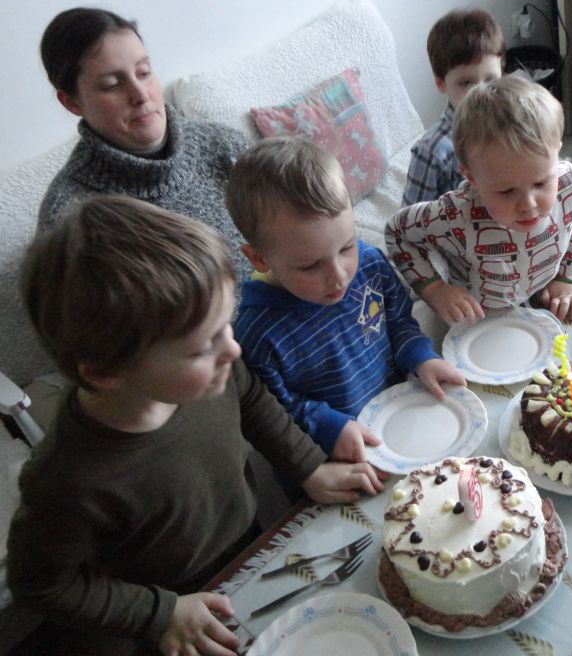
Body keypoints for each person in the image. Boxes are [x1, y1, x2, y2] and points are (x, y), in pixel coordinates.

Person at [8, 195, 384, 656]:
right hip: (172, 614)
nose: (233, 350)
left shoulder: (214, 376)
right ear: (105, 372)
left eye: (226, 327)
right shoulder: (66, 481)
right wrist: (158, 614)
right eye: (202, 346)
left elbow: (251, 397)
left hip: (247, 551)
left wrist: (309, 466)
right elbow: (39, 584)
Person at [227, 137, 465, 464]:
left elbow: (399, 321)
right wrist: (329, 426)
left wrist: (421, 357)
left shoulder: (370, 266)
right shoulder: (255, 333)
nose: (339, 276)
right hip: (335, 461)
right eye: (310, 265)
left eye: (346, 246)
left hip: (401, 425)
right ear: (258, 259)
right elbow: (273, 414)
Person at [37, 7, 251, 279]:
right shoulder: (71, 218)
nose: (140, 95)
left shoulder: (224, 145)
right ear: (72, 102)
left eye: (144, 72)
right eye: (111, 85)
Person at [386, 75, 572, 325]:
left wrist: (567, 277)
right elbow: (398, 232)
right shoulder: (455, 215)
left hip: (541, 299)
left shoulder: (568, 185)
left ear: (557, 152)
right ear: (471, 178)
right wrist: (436, 291)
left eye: (540, 183)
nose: (528, 204)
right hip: (478, 316)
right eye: (506, 191)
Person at [401, 8, 505, 206]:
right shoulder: (432, 152)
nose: (480, 92)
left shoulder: (512, 124)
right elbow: (409, 220)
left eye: (490, 79)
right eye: (466, 83)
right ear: (441, 83)